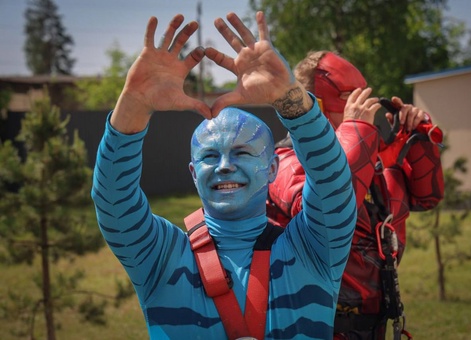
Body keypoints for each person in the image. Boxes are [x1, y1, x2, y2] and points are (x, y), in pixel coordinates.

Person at [91, 12, 357, 340]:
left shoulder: (315, 248)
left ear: (273, 168)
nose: (224, 165)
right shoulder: (160, 258)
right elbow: (114, 201)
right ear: (193, 173)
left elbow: (333, 181)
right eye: (209, 156)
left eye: (243, 153)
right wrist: (133, 104)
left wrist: (290, 101)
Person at [266, 51, 445, 339]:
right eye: (348, 97)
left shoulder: (373, 160)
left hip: (374, 326)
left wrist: (416, 138)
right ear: (315, 104)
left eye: (362, 95)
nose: (362, 107)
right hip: (309, 325)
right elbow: (325, 204)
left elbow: (428, 197)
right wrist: (356, 130)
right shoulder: (283, 159)